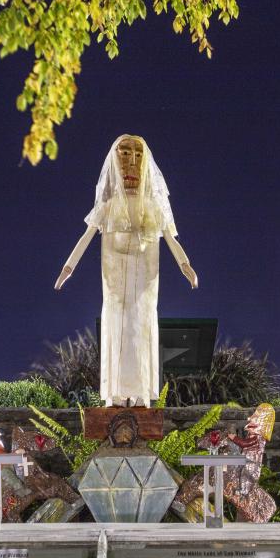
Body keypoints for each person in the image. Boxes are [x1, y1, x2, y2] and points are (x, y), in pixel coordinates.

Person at [55, 135, 197, 407]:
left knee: (142, 329)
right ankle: (116, 395)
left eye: (138, 156)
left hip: (145, 282)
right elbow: (86, 237)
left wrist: (185, 264)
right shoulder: (108, 208)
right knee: (116, 328)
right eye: (124, 154)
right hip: (115, 283)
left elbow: (171, 238)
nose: (131, 162)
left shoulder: (153, 209)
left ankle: (142, 393)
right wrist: (68, 268)